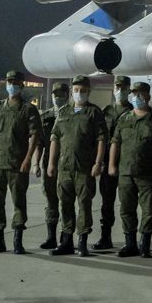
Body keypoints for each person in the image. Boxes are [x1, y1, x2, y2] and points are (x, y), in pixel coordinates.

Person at [108, 81, 152, 258]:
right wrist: (112, 164)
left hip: (148, 173)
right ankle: (130, 244)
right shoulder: (124, 119)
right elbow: (115, 143)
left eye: (141, 94)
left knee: (148, 210)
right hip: (126, 172)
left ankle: (145, 244)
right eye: (135, 95)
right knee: (126, 209)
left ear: (148, 97)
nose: (137, 98)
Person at [0, 70, 42, 254]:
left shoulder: (28, 109)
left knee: (19, 202)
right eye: (9, 82)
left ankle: (18, 240)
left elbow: (34, 136)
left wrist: (28, 159)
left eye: (15, 82)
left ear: (22, 85)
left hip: (17, 164)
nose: (12, 85)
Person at [47, 75, 107, 257]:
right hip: (65, 168)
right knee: (65, 204)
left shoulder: (94, 113)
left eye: (82, 90)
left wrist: (98, 162)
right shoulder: (64, 112)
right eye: (76, 90)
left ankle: (82, 242)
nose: (79, 93)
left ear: (88, 91)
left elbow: (102, 139)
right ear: (71, 92)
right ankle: (66, 241)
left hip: (85, 168)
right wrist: (51, 163)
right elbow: (55, 138)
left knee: (84, 205)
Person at [93, 75, 133, 251]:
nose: (120, 91)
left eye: (124, 88)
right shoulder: (106, 112)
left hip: (126, 165)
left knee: (128, 204)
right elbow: (98, 137)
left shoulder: (134, 111)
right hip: (107, 165)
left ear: (129, 90)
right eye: (117, 87)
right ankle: (105, 237)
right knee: (106, 204)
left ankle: (129, 240)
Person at [35, 81, 69, 250]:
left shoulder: (73, 114)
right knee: (50, 200)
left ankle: (65, 236)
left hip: (67, 165)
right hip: (48, 164)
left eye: (61, 94)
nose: (58, 97)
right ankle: (51, 237)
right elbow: (39, 143)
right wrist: (36, 164)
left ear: (67, 96)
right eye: (55, 94)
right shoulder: (45, 117)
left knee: (66, 201)